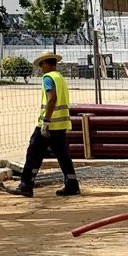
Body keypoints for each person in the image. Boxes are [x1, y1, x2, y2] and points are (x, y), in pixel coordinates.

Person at [6, 51, 79, 197]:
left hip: (48, 126)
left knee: (33, 153)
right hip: (60, 126)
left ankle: (26, 185)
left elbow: (52, 99)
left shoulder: (48, 78)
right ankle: (72, 185)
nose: (41, 68)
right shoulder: (60, 77)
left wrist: (46, 121)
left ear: (46, 63)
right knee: (64, 156)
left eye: (41, 65)